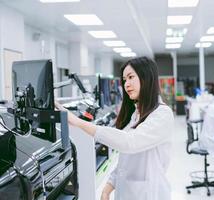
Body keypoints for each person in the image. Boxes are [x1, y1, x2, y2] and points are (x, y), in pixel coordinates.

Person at [55, 57, 174, 200]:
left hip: (149, 194)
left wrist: (78, 122)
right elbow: (126, 161)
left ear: (147, 78)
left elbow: (129, 143)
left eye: (131, 77)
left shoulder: (162, 114)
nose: (126, 84)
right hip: (128, 193)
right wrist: (108, 187)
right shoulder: (137, 114)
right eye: (124, 80)